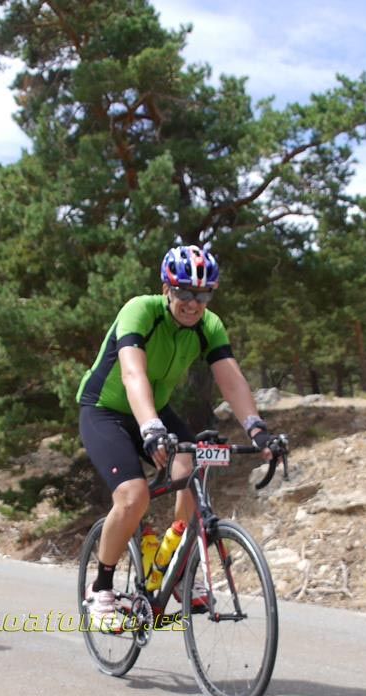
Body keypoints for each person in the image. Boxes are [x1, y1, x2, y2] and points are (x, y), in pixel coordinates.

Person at [76, 243, 277, 629]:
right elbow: (133, 374)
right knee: (133, 496)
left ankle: (176, 561)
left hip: (154, 406)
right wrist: (151, 428)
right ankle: (101, 588)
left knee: (193, 465)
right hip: (106, 409)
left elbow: (231, 380)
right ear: (167, 288)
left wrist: (257, 428)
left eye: (203, 294)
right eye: (184, 292)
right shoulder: (140, 310)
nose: (193, 302)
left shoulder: (209, 325)